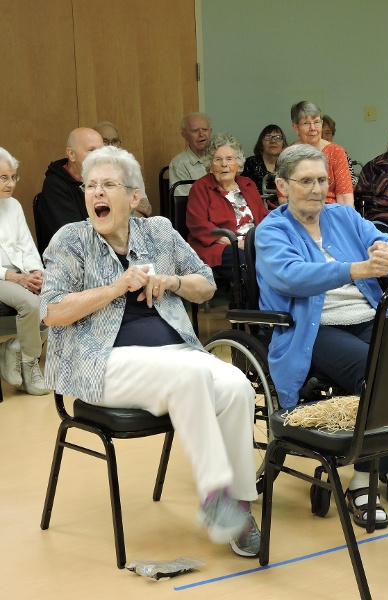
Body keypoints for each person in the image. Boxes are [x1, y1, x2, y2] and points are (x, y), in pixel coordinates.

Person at [39, 145, 261, 558]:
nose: (96, 194)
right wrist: (115, 288)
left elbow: (206, 283)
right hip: (100, 364)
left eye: (108, 185)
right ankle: (215, 496)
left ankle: (240, 505)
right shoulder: (72, 239)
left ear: (134, 196)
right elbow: (52, 311)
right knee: (190, 376)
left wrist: (173, 283)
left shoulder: (158, 231)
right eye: (90, 186)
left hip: (176, 353)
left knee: (237, 387)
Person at [256, 144, 388, 529]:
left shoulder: (343, 216)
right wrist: (356, 269)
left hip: (367, 316)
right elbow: (290, 276)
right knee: (373, 368)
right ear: (283, 186)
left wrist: (387, 251)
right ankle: (365, 478)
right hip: (313, 330)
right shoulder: (272, 230)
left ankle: (384, 462)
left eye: (321, 180)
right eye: (305, 180)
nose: (315, 188)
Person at [186, 133, 268, 283]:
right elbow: (198, 225)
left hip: (252, 242)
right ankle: (251, 305)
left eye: (229, 159)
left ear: (238, 164)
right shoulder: (201, 187)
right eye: (218, 159)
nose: (224, 164)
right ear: (210, 164)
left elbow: (262, 216)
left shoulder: (247, 184)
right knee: (248, 264)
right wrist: (236, 242)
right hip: (219, 246)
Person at [0, 147, 49, 395]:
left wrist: (35, 272)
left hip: (19, 273)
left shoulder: (14, 205)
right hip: (1, 276)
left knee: (55, 293)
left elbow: (27, 245)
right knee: (31, 303)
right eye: (3, 178)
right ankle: (31, 364)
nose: (10, 184)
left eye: (13, 177)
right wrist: (11, 276)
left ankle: (16, 348)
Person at [38, 127, 104, 250]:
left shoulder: (106, 179)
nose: (99, 157)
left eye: (102, 150)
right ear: (71, 154)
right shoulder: (55, 185)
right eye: (91, 150)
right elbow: (71, 236)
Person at [286, 102, 354, 206]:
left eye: (317, 122)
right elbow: (284, 198)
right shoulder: (288, 154)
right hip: (298, 213)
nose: (313, 128)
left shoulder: (336, 152)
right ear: (296, 128)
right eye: (306, 123)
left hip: (330, 212)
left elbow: (345, 198)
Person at [93, 121, 152, 218]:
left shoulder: (130, 167)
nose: (110, 145)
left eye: (115, 141)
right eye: (105, 141)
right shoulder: (88, 169)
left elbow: (144, 206)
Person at [169, 112, 212, 195]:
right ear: (185, 135)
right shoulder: (179, 164)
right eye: (195, 131)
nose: (201, 134)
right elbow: (184, 202)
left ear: (210, 132)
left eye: (205, 130)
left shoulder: (220, 158)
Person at [242, 124, 287, 196]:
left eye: (278, 137)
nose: (273, 141)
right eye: (268, 137)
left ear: (283, 144)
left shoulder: (287, 165)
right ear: (261, 143)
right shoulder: (250, 164)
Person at [321, 114, 359, 188]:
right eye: (320, 133)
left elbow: (351, 181)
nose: (323, 137)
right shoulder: (310, 155)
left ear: (332, 135)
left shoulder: (339, 153)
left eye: (327, 133)